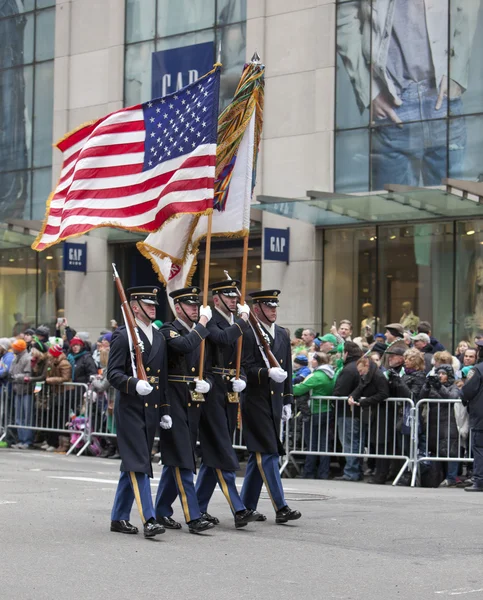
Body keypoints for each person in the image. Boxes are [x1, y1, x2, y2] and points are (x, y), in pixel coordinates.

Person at [337, 1, 477, 189]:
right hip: (394, 104)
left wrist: (456, 73)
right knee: (390, 213)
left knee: (455, 213)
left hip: (442, 100)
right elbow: (345, 13)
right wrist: (369, 90)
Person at [195, 279, 261, 528]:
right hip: (211, 390)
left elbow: (240, 360)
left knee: (215, 452)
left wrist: (241, 377)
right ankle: (239, 508)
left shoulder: (235, 322)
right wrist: (244, 321)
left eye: (235, 297)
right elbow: (221, 339)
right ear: (216, 300)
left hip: (230, 392)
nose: (234, 301)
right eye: (229, 297)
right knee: (222, 449)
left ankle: (198, 507)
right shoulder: (209, 319)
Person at [107, 286, 169, 539]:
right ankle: (150, 519)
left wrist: (164, 408)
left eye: (154, 304)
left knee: (133, 464)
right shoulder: (124, 336)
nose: (153, 307)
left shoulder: (158, 336)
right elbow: (113, 374)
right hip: (131, 408)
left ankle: (119, 517)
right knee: (140, 465)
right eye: (147, 304)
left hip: (152, 409)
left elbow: (162, 377)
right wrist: (133, 384)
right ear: (134, 307)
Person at [154, 287, 215, 534]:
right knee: (184, 461)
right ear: (178, 308)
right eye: (190, 306)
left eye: (197, 306)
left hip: (193, 401)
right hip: (173, 400)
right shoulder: (168, 330)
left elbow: (207, 367)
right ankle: (193, 516)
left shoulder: (200, 333)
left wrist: (207, 383)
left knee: (177, 459)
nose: (195, 309)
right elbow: (184, 346)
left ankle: (160, 511)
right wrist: (202, 323)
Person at [240, 289, 301, 524]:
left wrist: (288, 399)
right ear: (257, 309)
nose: (273, 310)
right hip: (255, 400)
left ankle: (245, 507)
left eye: (275, 306)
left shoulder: (283, 334)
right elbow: (244, 367)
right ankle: (281, 506)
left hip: (275, 402)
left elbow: (288, 372)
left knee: (260, 455)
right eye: (268, 306)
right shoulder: (248, 332)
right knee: (269, 453)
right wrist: (266, 372)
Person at [293, 352, 335, 479]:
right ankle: (323, 473)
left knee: (311, 443)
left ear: (318, 361)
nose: (311, 361)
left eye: (313, 360)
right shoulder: (330, 374)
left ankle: (309, 472)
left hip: (315, 411)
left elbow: (298, 389)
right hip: (326, 410)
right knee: (323, 444)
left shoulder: (317, 375)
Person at [419, 365, 461, 488]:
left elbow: (452, 397)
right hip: (433, 424)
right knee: (436, 451)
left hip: (449, 423)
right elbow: (421, 397)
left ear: (449, 375)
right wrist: (426, 385)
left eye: (443, 373)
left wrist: (439, 386)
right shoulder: (432, 387)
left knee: (451, 451)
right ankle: (437, 477)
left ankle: (451, 478)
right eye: (439, 373)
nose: (440, 376)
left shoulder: (454, 386)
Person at [349, 356, 390, 484]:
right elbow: (360, 387)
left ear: (367, 366)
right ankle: (377, 472)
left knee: (381, 444)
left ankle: (381, 474)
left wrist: (364, 402)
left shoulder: (378, 376)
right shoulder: (368, 376)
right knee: (375, 443)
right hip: (374, 412)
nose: (360, 373)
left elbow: (384, 394)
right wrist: (352, 396)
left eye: (361, 371)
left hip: (382, 413)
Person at [333, 341, 364, 481]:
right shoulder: (359, 366)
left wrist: (335, 399)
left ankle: (351, 472)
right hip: (355, 410)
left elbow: (340, 391)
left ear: (346, 353)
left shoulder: (349, 369)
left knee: (349, 441)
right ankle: (355, 470)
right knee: (355, 441)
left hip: (347, 411)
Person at [461, 362, 483, 491]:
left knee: (480, 448)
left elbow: (467, 391)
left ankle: (480, 481)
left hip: (480, 417)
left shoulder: (478, 369)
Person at [9, 339, 32, 449]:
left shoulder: (27, 358)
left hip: (26, 391)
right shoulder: (15, 359)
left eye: (14, 347)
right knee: (18, 417)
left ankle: (26, 441)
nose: (12, 348)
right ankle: (21, 439)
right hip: (17, 390)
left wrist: (16, 377)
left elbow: (28, 375)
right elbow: (11, 371)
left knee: (26, 417)